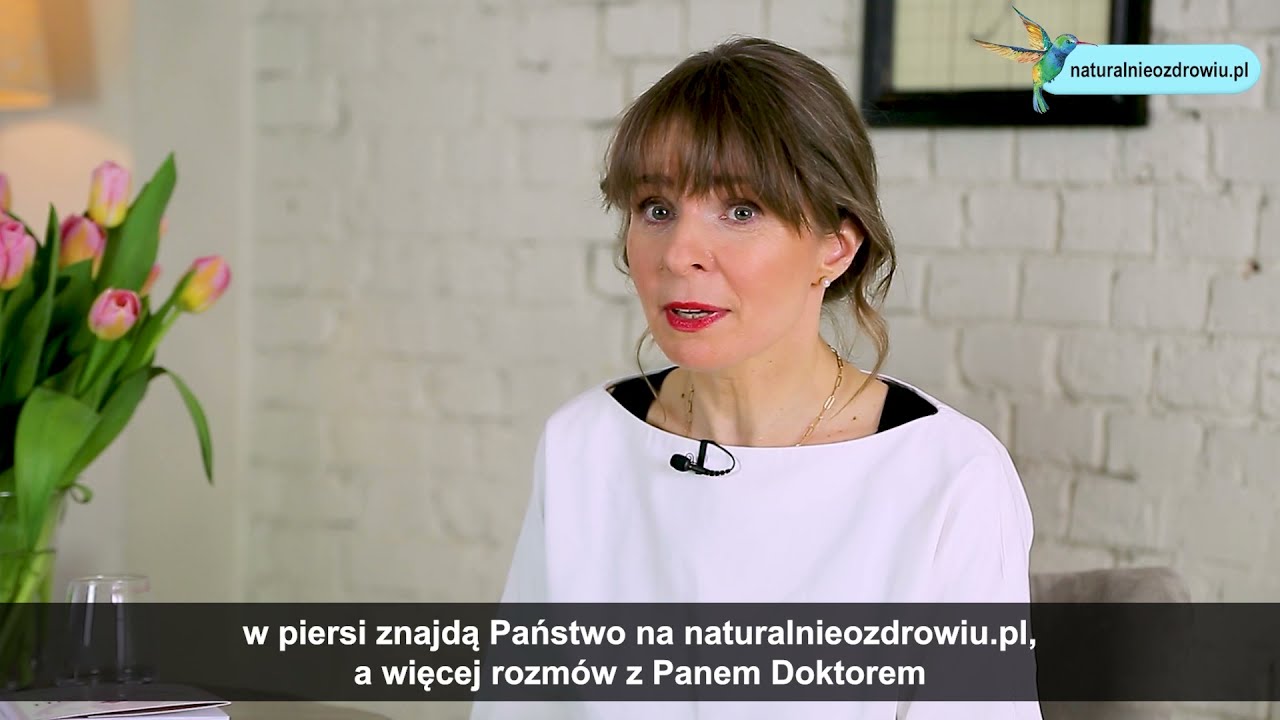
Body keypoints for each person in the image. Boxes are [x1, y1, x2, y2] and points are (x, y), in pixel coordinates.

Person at [472, 37, 1042, 720]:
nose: (679, 254)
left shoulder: (951, 475)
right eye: (656, 208)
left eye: (740, 211)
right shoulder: (581, 444)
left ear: (836, 246)